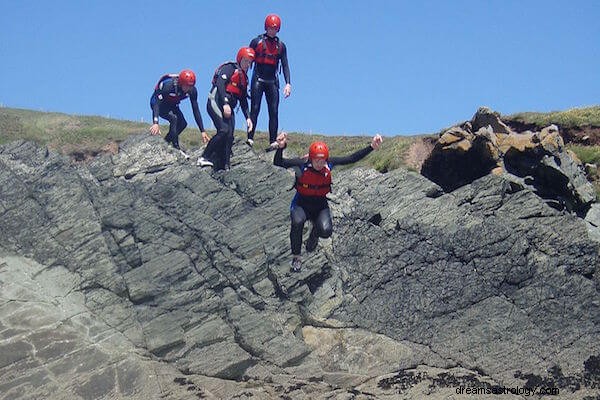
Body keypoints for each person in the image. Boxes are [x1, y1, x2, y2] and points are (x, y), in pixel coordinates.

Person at [273, 132, 383, 272]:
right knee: (297, 223)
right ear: (311, 158)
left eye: (323, 160)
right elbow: (278, 163)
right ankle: (296, 257)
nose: (320, 163)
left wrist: (372, 147)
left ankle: (314, 235)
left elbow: (351, 158)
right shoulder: (301, 164)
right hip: (301, 203)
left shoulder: (329, 164)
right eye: (317, 160)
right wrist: (281, 147)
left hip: (319, 205)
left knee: (326, 231)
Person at [197, 47, 255, 171]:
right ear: (240, 59)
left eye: (250, 62)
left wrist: (248, 118)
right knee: (223, 130)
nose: (247, 64)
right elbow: (220, 84)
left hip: (229, 107)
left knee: (229, 136)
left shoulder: (244, 78)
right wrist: (225, 103)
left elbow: (243, 100)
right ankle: (204, 157)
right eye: (245, 61)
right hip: (216, 102)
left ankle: (225, 165)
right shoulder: (230, 68)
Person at [247, 14, 291, 150]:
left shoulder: (281, 46)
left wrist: (288, 83)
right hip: (258, 79)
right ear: (266, 27)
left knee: (273, 111)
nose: (273, 31)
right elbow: (246, 60)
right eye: (271, 28)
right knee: (255, 108)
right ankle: (249, 138)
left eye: (275, 28)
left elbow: (285, 65)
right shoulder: (256, 42)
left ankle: (272, 140)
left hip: (272, 81)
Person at [150, 69, 210, 153]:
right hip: (158, 104)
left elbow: (195, 110)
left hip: (172, 104)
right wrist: (155, 123)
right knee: (174, 118)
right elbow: (157, 103)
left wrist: (202, 131)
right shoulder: (168, 86)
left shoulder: (192, 91)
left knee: (183, 124)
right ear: (181, 83)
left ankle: (166, 142)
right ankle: (176, 147)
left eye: (191, 86)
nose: (188, 88)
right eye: (186, 86)